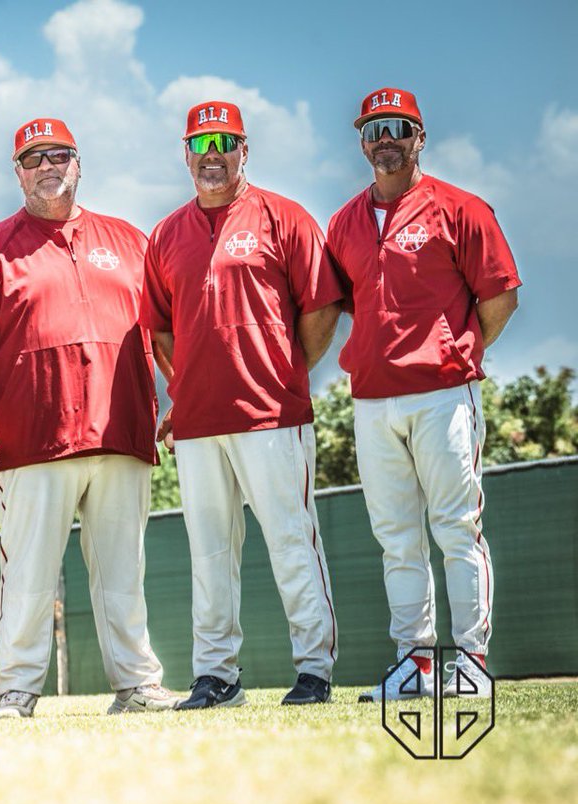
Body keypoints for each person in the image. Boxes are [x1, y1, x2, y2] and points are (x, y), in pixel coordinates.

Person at [0, 117, 175, 719]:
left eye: (58, 155)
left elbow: (164, 330)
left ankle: (138, 685)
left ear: (78, 162)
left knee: (124, 573)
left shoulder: (129, 239)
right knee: (28, 575)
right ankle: (17, 690)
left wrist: (181, 398)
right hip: (29, 439)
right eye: (33, 158)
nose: (47, 166)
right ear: (17, 173)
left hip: (121, 431)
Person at [142, 101, 342, 709]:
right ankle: (216, 675)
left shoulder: (285, 217)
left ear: (244, 149)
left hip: (272, 414)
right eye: (200, 145)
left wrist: (286, 371)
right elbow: (160, 329)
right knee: (209, 554)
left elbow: (322, 308)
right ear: (185, 155)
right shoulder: (166, 233)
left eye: (223, 143)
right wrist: (182, 387)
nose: (212, 155)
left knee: (291, 541)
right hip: (199, 423)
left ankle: (314, 670)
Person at [326, 88, 520, 702]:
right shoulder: (343, 222)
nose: (386, 139)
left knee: (457, 529)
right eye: (374, 129)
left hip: (442, 395)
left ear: (420, 137)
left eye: (398, 127)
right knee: (397, 539)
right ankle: (415, 664)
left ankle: (471, 663)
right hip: (371, 400)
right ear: (362, 142)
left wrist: (455, 351)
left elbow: (501, 297)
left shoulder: (461, 208)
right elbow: (348, 303)